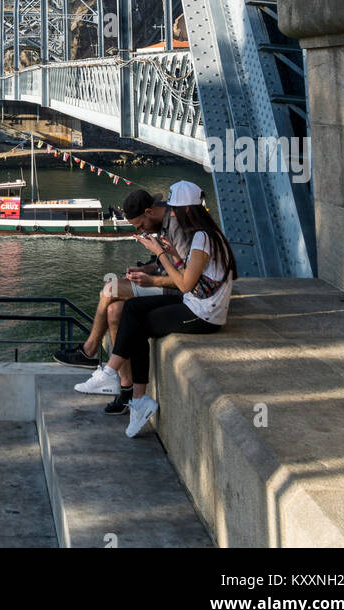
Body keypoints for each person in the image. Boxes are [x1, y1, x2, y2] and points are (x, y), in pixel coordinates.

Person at [91, 180, 237, 438]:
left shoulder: (201, 238)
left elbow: (183, 283)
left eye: (175, 209)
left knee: (135, 322)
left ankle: (118, 379)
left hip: (202, 315)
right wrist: (174, 255)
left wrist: (159, 254)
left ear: (187, 210)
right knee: (132, 309)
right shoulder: (207, 235)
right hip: (197, 303)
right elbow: (191, 273)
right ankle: (134, 396)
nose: (172, 213)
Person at [53, 185, 195, 414]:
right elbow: (163, 264)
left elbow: (187, 277)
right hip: (163, 281)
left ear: (149, 213)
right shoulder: (163, 225)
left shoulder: (177, 227)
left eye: (140, 226)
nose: (141, 231)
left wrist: (152, 279)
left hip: (177, 292)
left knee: (110, 290)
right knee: (114, 312)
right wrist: (145, 269)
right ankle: (125, 389)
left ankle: (89, 352)